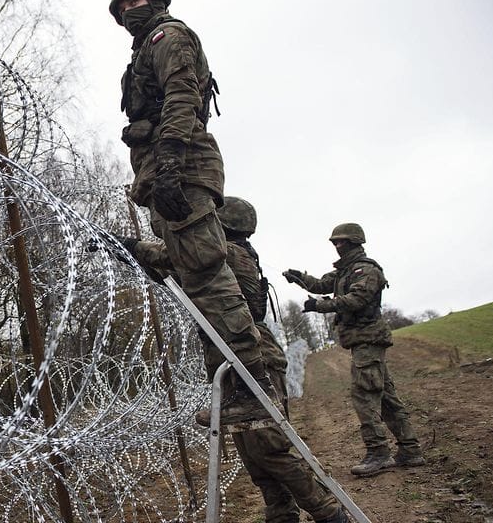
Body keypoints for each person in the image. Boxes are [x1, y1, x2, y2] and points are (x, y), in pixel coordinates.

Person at [109, 0, 278, 424]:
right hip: (165, 173)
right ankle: (236, 386)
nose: (129, 10)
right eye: (121, 6)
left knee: (205, 276)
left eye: (136, 0)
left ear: (157, 0)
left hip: (179, 168)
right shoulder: (144, 50)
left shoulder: (168, 36)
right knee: (193, 278)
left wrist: (169, 160)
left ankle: (252, 387)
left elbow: (182, 95)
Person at [117, 197, 348, 523]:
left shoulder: (223, 252)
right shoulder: (224, 254)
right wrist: (132, 256)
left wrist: (130, 245)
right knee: (253, 454)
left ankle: (329, 512)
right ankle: (282, 514)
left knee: (268, 447)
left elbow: (172, 257)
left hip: (252, 357)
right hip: (232, 359)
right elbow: (175, 273)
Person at [283, 223, 425, 477]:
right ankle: (410, 450)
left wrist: (320, 306)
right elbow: (321, 284)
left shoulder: (366, 270)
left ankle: (379, 453)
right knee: (385, 397)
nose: (338, 247)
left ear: (356, 242)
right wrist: (299, 278)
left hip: (368, 340)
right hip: (362, 341)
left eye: (343, 242)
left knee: (364, 395)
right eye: (335, 243)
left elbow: (357, 300)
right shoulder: (344, 272)